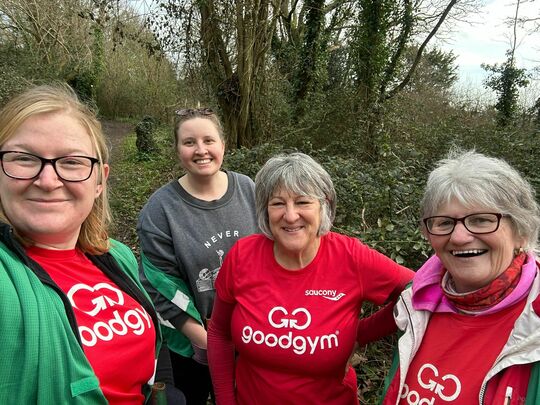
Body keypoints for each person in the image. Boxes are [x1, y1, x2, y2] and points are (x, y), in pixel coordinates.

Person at [207, 152, 414, 405]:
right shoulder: (242, 255)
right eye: (278, 203)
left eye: (303, 202)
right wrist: (226, 401)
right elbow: (219, 332)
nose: (291, 215)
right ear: (264, 209)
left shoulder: (351, 257)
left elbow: (418, 292)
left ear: (323, 205)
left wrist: (359, 333)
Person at [0, 84, 163, 404]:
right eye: (24, 158)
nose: (47, 181)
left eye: (72, 162)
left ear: (100, 180)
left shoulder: (116, 255)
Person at [380, 150, 540, 405]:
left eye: (480, 220)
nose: (459, 237)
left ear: (521, 231)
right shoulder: (417, 303)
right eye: (444, 223)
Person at [137, 108, 258, 404]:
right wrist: (208, 342)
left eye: (209, 140)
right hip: (191, 344)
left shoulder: (249, 189)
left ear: (223, 145)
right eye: (189, 142)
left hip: (254, 339)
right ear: (178, 149)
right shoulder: (160, 209)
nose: (201, 150)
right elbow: (157, 284)